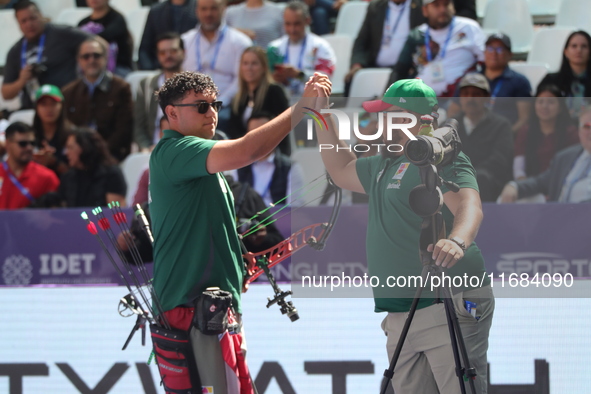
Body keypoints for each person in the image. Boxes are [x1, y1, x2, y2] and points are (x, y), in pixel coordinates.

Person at [149, 70, 330, 393]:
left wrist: (233, 256)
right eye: (201, 107)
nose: (212, 113)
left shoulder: (203, 159)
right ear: (172, 113)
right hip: (190, 308)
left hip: (213, 307)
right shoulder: (173, 151)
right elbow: (249, 151)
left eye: (214, 104)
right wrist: (303, 107)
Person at [313, 78, 494, 393]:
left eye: (386, 113)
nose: (377, 122)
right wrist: (321, 115)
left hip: (446, 301)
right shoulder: (387, 161)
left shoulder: (441, 156)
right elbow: (341, 170)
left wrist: (457, 241)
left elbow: (470, 205)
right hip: (403, 311)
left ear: (410, 118)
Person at [1, 1, 91, 109]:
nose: (29, 24)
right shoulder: (15, 51)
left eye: (32, 18)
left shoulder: (62, 34)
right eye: (24, 21)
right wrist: (21, 81)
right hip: (33, 109)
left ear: (41, 15)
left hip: (66, 104)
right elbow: (6, 94)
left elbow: (97, 42)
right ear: (18, 24)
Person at [182, 0, 253, 131]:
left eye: (213, 9)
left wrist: (218, 103)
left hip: (226, 105)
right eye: (204, 9)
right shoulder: (185, 41)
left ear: (223, 9)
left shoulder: (240, 42)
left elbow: (241, 80)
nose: (208, 13)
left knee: (218, 120)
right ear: (197, 11)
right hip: (191, 105)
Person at [388, 0, 485, 96]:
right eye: (436, 5)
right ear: (425, 10)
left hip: (458, 99)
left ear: (453, 7)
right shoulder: (417, 35)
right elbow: (400, 71)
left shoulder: (469, 28)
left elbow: (486, 65)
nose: (442, 9)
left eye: (446, 4)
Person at [61, 37, 134, 162]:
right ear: (79, 61)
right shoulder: (68, 92)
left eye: (96, 55)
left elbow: (124, 130)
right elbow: (66, 128)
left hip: (112, 157)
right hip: (78, 158)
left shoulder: (121, 88)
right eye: (86, 57)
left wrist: (101, 152)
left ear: (105, 58)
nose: (91, 60)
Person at [500, 107, 591, 203]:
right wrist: (514, 186)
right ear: (579, 130)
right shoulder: (565, 157)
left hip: (583, 215)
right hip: (559, 215)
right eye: (587, 126)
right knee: (508, 198)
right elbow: (540, 182)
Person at [448, 33, 532, 132]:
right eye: (490, 49)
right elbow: (453, 112)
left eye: (500, 49)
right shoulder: (469, 79)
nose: (494, 53)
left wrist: (505, 136)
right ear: (484, 53)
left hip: (502, 136)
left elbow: (524, 119)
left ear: (510, 55)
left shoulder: (520, 82)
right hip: (469, 135)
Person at [453, 73, 513, 202]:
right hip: (453, 179)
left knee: (481, 178)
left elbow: (499, 160)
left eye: (476, 94)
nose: (470, 99)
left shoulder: (501, 125)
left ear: (487, 98)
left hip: (489, 183)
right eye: (466, 94)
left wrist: (468, 175)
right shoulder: (450, 125)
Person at [346, 0, 425, 96]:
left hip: (406, 69)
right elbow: (361, 41)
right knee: (351, 79)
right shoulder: (376, 6)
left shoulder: (420, 7)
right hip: (374, 65)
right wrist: (357, 64)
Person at [227, 46, 290, 155]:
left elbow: (284, 126)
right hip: (244, 157)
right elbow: (234, 132)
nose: (249, 68)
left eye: (254, 63)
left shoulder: (274, 91)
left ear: (264, 67)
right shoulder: (238, 98)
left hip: (272, 154)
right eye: (245, 63)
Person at [267, 1, 336, 97]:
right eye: (288, 24)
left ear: (307, 20)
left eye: (297, 24)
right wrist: (273, 78)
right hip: (280, 104)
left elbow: (326, 80)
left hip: (311, 104)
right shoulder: (274, 48)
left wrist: (299, 75)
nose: (292, 29)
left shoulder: (320, 46)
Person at [513, 84, 579, 181]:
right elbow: (519, 167)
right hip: (530, 186)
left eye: (551, 102)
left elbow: (575, 166)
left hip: (560, 184)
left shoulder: (571, 133)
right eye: (540, 102)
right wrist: (524, 184)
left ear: (560, 108)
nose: (544, 106)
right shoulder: (525, 131)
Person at [237, 112, 305, 206]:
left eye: (263, 132)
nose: (258, 138)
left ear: (274, 134)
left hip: (278, 219)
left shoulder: (290, 167)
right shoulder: (238, 166)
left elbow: (295, 209)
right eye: (253, 133)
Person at [134, 32, 185, 152]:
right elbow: (138, 127)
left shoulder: (194, 85)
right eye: (162, 52)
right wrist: (146, 147)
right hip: (152, 150)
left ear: (183, 52)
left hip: (184, 149)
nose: (168, 56)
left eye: (173, 51)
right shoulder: (146, 84)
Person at [59, 127, 127, 207]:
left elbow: (116, 213)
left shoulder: (111, 174)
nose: (66, 153)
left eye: (70, 148)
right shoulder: (68, 177)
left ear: (84, 147)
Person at [0, 121, 60, 210]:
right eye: (23, 143)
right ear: (8, 144)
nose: (29, 148)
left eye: (32, 143)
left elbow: (56, 215)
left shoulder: (47, 177)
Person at [538, 30, 591, 118]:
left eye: (584, 46)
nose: (579, 50)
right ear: (566, 52)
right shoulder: (550, 80)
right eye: (574, 46)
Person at [78, 0, 134, 77]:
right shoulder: (82, 23)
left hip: (118, 69)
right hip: (88, 69)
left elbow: (106, 36)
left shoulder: (117, 19)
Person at [138, 0, 198, 70]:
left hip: (194, 67)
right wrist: (151, 72)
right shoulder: (156, 11)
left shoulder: (202, 8)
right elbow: (145, 48)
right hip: (161, 69)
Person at [32, 85, 73, 176]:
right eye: (43, 104)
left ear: (62, 106)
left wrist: (54, 161)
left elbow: (77, 175)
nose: (49, 109)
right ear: (36, 107)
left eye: (53, 103)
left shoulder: (73, 135)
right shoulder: (29, 136)